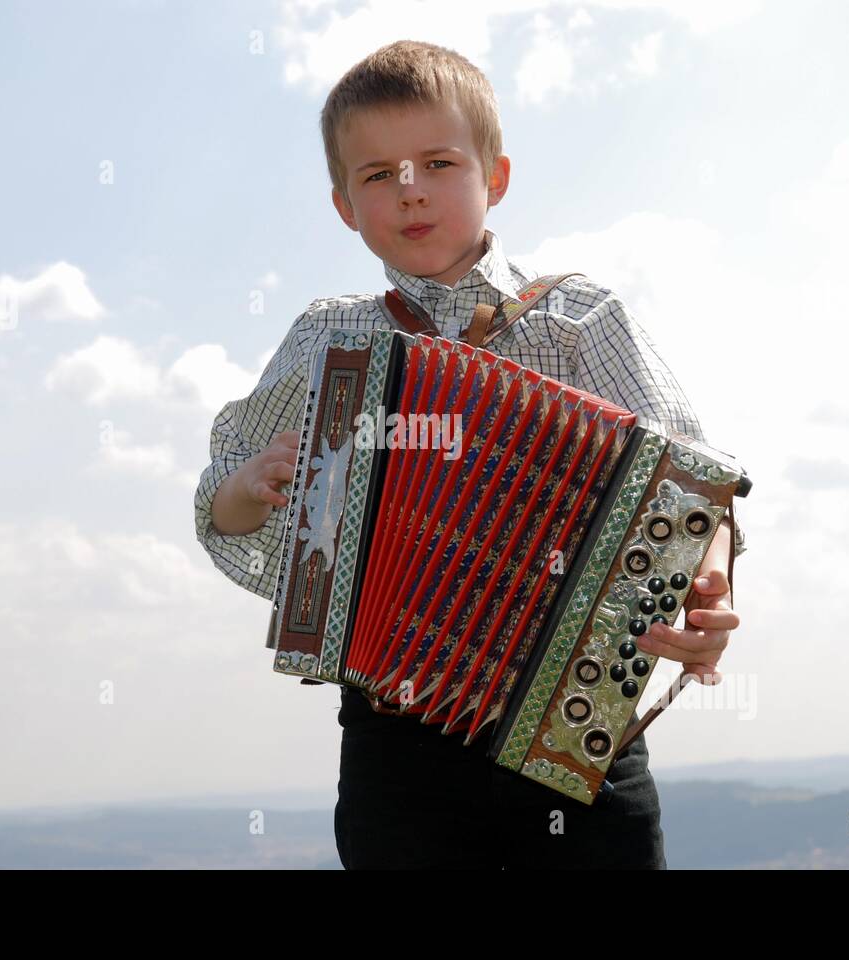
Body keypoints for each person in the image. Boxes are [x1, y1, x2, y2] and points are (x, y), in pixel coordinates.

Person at [194, 39, 746, 869]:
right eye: (377, 174)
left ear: (496, 177)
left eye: (438, 162)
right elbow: (221, 504)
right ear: (345, 205)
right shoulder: (327, 339)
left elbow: (695, 489)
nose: (410, 188)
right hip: (397, 749)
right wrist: (243, 488)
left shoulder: (578, 320)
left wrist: (709, 599)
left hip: (579, 739)